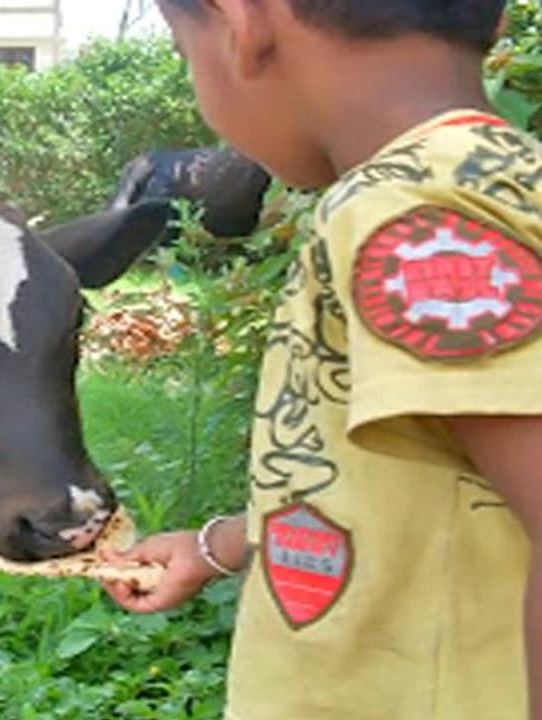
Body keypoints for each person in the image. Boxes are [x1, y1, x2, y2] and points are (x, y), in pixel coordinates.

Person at [98, 2, 541, 719]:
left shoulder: (407, 213)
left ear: (241, 23)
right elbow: (424, 476)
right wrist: (225, 545)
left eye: (185, 51)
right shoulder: (493, 181)